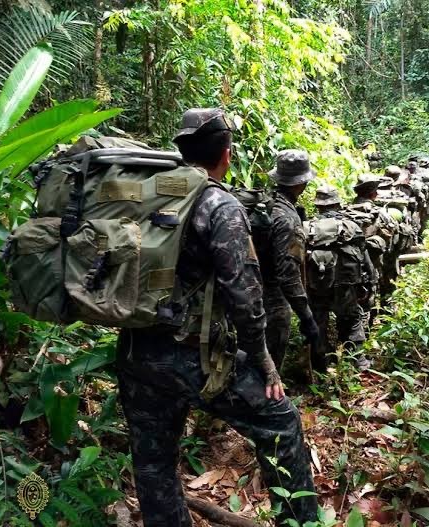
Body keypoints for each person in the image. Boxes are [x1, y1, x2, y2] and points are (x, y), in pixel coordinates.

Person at [116, 110, 317, 527]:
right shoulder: (218, 204)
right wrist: (263, 360)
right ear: (226, 154)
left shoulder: (147, 193)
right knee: (281, 423)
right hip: (193, 354)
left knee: (154, 462)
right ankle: (301, 522)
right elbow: (244, 295)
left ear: (181, 150)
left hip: (136, 350)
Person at [260, 150, 320, 371]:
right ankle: (266, 402)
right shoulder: (286, 217)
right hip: (272, 299)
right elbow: (288, 275)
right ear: (301, 183)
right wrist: (306, 317)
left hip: (248, 291)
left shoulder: (267, 202)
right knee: (268, 366)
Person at [307, 184, 372, 371]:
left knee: (318, 320)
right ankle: (357, 361)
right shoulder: (351, 226)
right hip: (346, 283)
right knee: (351, 318)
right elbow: (363, 254)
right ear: (337, 204)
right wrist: (369, 280)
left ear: (318, 206)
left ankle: (320, 363)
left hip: (318, 283)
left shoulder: (308, 228)